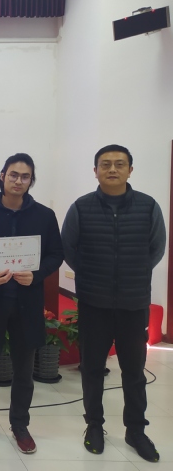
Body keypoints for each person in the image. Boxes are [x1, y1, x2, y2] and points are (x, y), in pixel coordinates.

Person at [62, 144, 165, 463]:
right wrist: (92, 276)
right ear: (95, 171)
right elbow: (69, 248)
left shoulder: (148, 206)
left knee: (134, 371)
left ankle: (136, 430)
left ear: (130, 170)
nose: (112, 169)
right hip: (94, 303)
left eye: (119, 164)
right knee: (93, 369)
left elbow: (156, 249)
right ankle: (94, 425)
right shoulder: (81, 208)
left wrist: (134, 273)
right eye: (105, 164)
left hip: (134, 303)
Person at [0, 153, 63, 453]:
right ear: (2, 176)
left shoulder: (45, 216)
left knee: (24, 372)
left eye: (25, 176)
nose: (18, 181)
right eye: (13, 175)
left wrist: (37, 274)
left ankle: (20, 425)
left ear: (31, 180)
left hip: (27, 304)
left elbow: (56, 254)